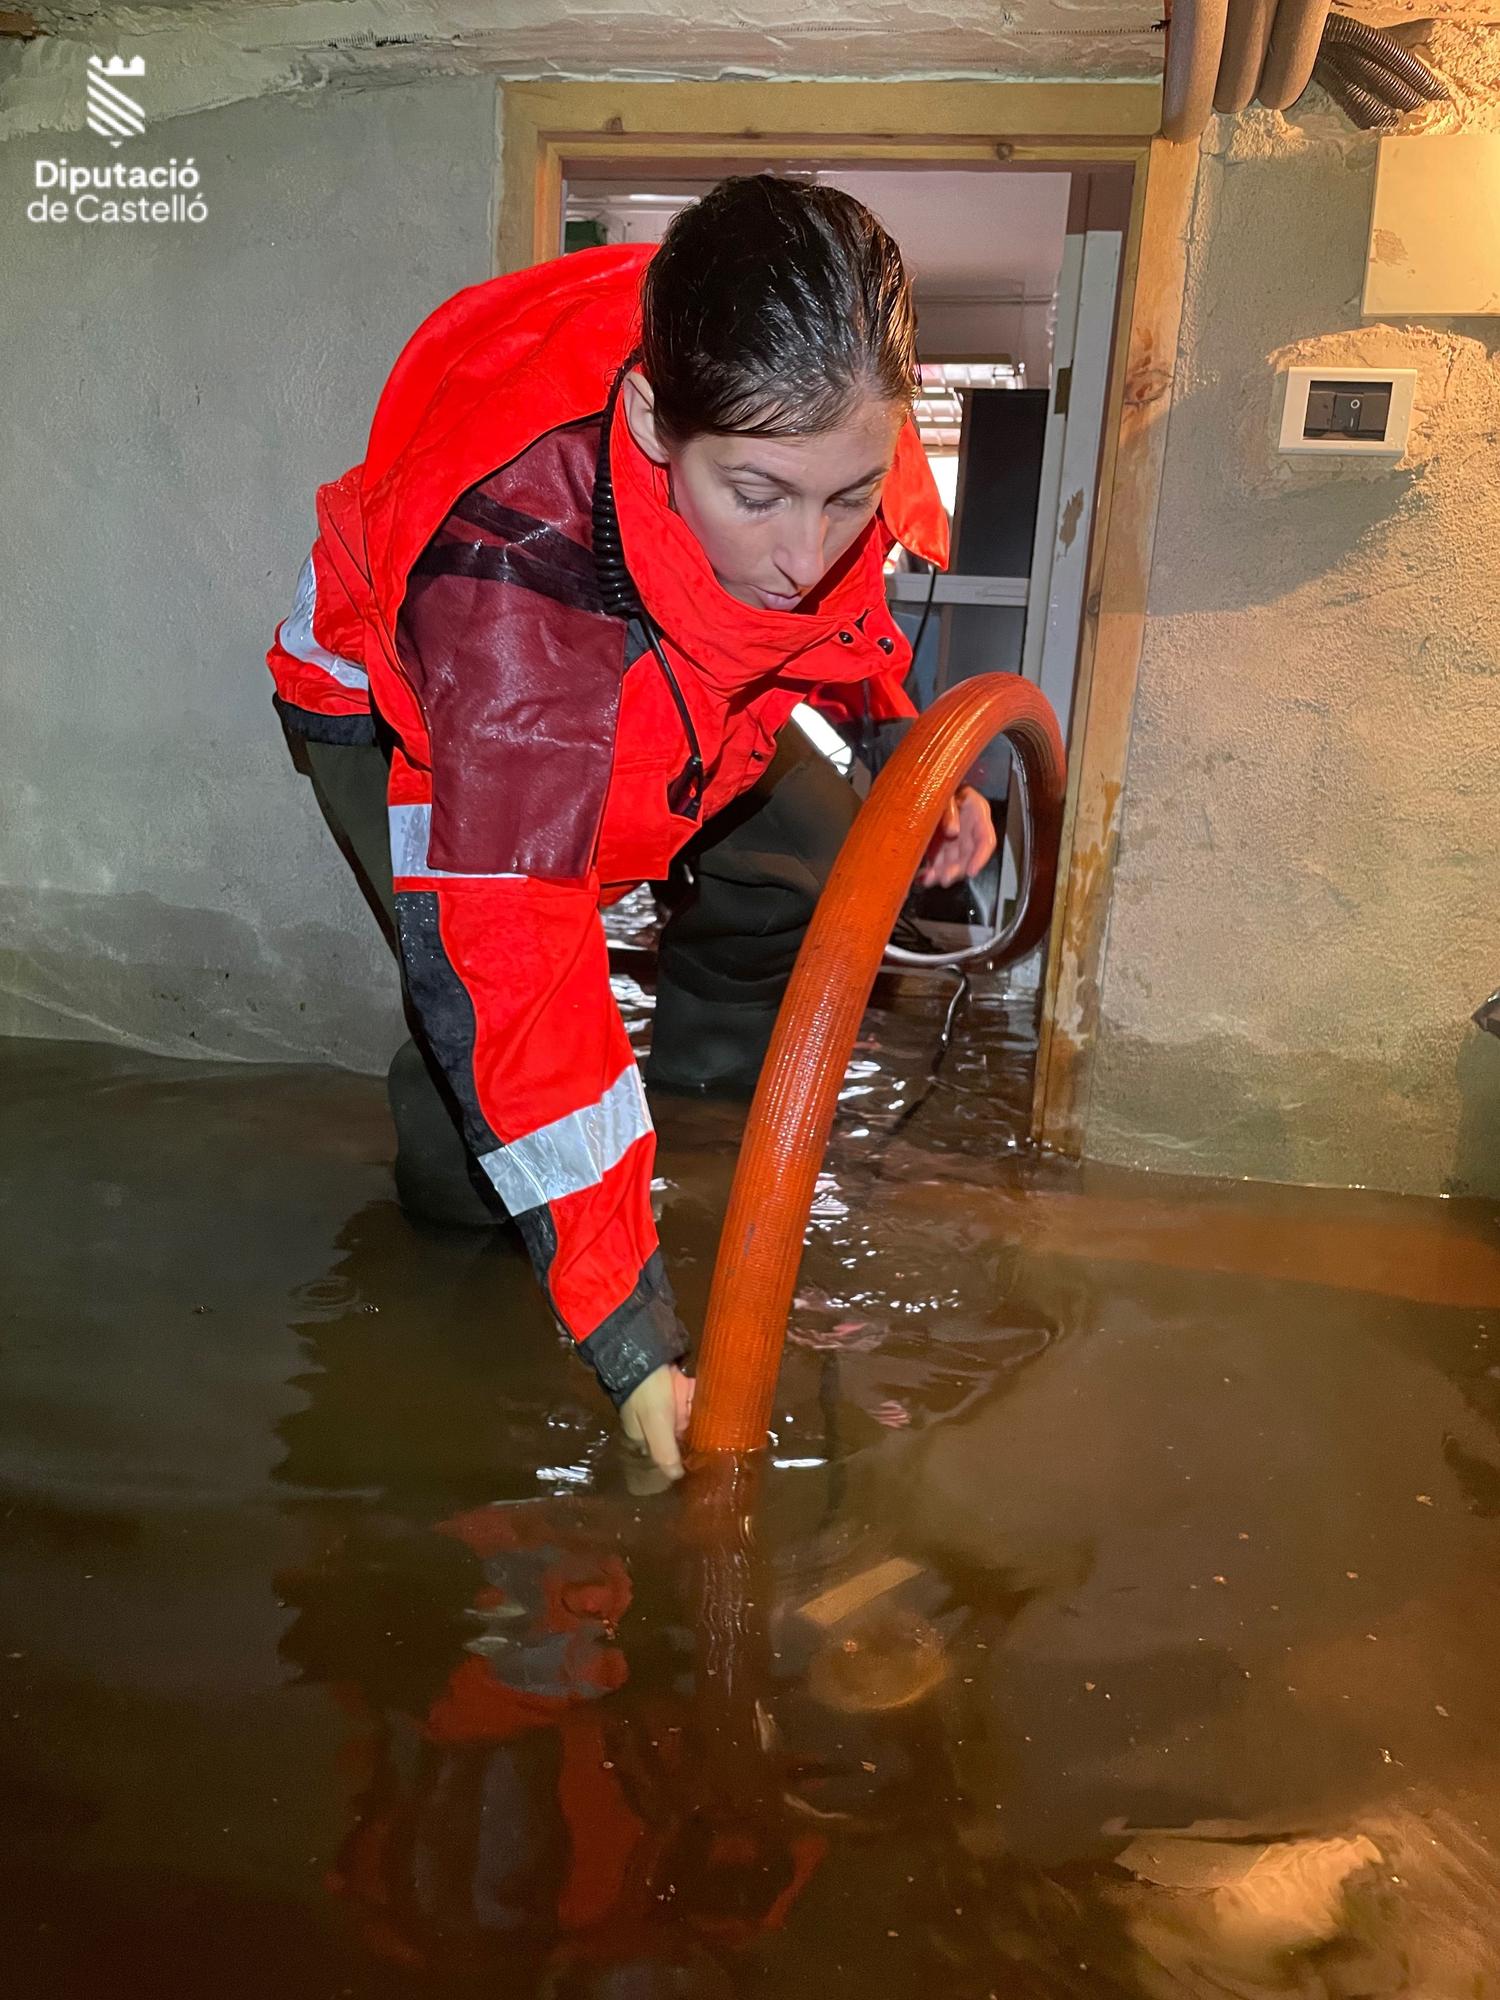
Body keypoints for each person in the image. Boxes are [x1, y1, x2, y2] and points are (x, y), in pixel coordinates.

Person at [267, 175, 995, 1481]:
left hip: (682, 671)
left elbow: (830, 603)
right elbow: (523, 959)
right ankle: (458, 1287)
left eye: (850, 495)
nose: (808, 550)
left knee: (809, 858)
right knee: (473, 1071)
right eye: (761, 496)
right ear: (655, 420)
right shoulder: (508, 595)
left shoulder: (809, 409)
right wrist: (627, 1337)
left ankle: (710, 1154)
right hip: (394, 712)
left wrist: (906, 747)